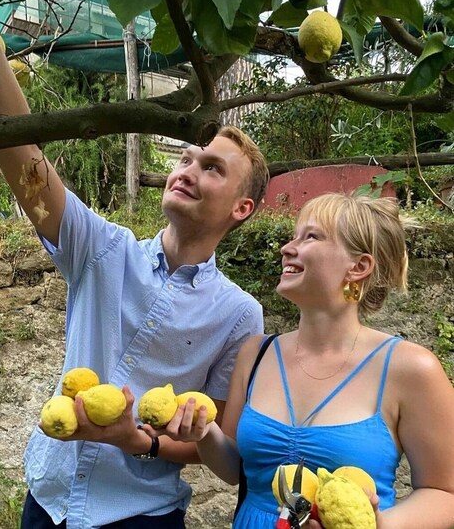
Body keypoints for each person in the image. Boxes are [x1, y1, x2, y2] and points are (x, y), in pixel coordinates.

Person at [0, 0, 269, 527]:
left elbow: (215, 448)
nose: (188, 169)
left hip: (140, 516)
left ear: (242, 208)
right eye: (187, 157)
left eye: (211, 168)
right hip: (47, 504)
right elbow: (20, 153)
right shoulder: (101, 251)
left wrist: (136, 439)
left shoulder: (238, 315)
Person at [143, 192, 454, 528]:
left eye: (311, 236)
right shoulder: (256, 354)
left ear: (359, 266)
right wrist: (204, 433)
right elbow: (234, 470)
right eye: (293, 236)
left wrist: (378, 525)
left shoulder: (410, 368)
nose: (286, 248)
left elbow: (444, 492)